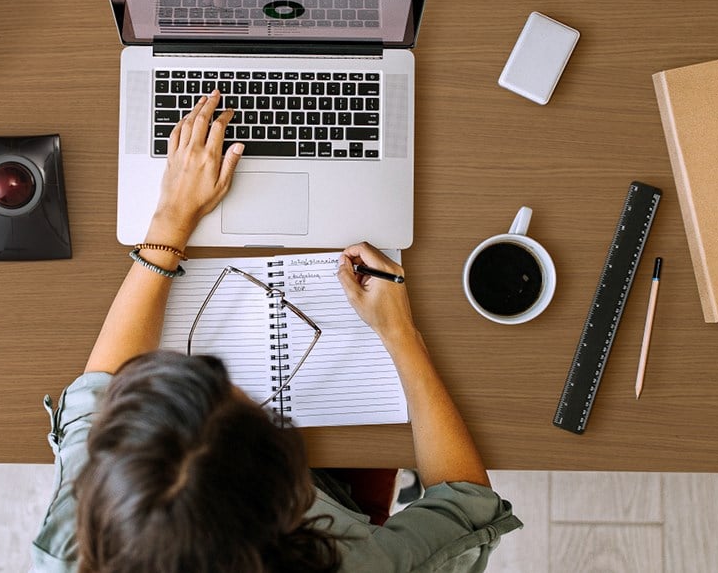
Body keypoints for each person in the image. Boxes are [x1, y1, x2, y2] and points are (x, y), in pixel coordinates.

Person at [30, 90, 521, 572]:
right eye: (228, 390)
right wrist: (400, 334)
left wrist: (171, 219)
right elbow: (467, 504)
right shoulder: (358, 562)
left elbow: (96, 394)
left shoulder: (80, 524)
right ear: (290, 490)